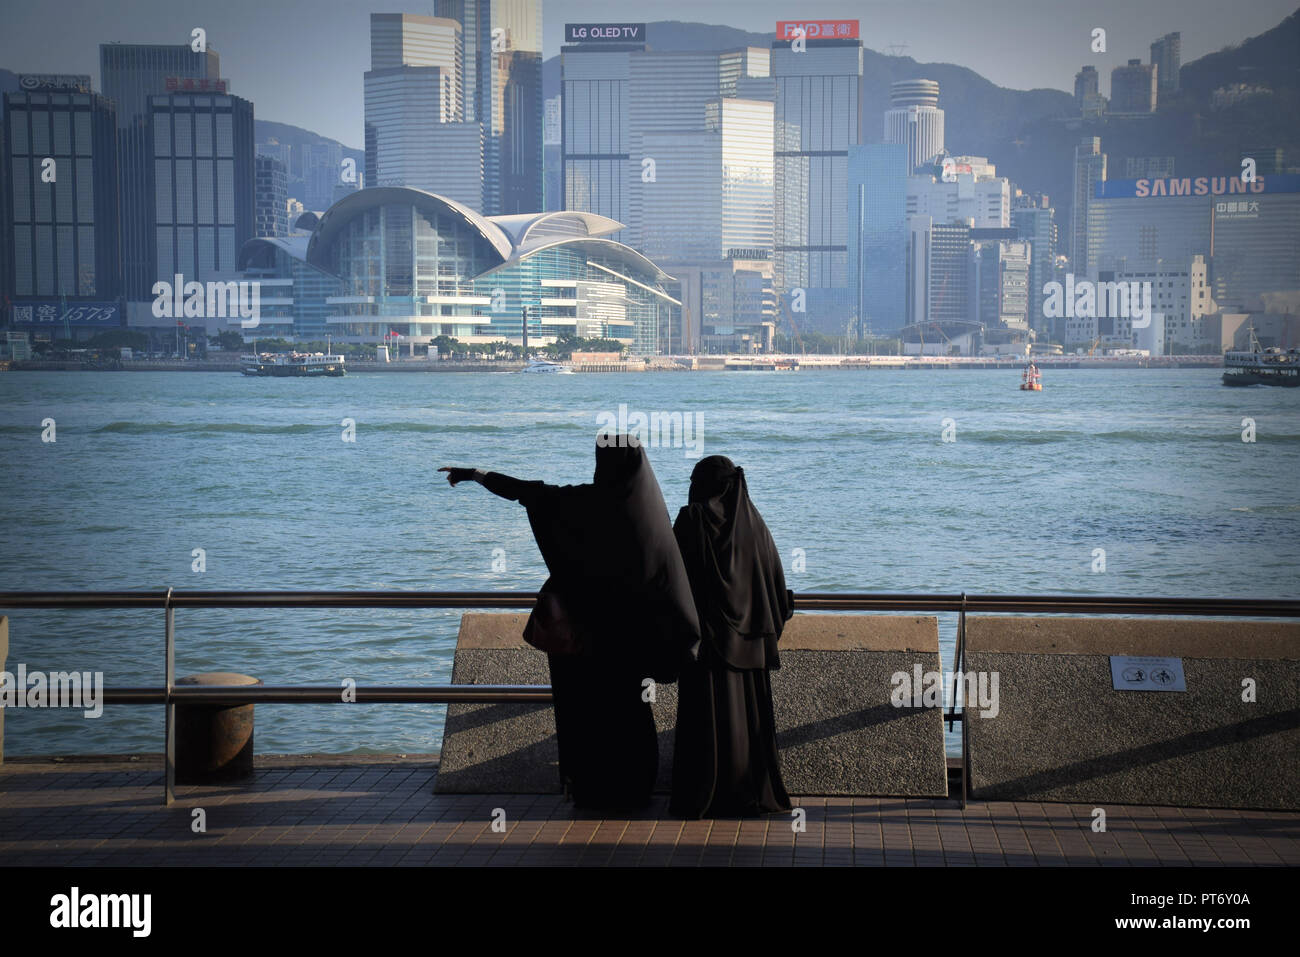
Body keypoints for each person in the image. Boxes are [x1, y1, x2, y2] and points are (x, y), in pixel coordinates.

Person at [440, 436, 699, 809]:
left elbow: (527, 492)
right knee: (631, 712)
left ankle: (593, 790)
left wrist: (473, 474)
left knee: (587, 713)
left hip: (583, 639)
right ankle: (634, 789)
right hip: (632, 643)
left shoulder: (581, 502)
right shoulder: (651, 517)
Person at [670, 455, 794, 819]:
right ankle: (748, 793)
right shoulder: (755, 525)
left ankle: (704, 795)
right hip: (751, 648)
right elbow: (777, 589)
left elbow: (672, 582)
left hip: (706, 649)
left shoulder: (691, 520)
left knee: (705, 723)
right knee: (749, 722)